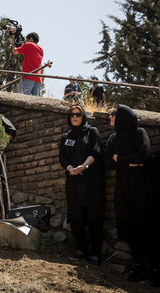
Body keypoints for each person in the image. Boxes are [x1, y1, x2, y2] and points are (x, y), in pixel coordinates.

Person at [106, 104, 160, 286]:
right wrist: (129, 162)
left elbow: (143, 155)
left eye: (113, 114)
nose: (110, 117)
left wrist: (120, 159)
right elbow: (108, 161)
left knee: (147, 227)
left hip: (142, 187)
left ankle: (154, 269)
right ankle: (140, 266)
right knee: (130, 227)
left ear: (124, 116)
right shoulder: (113, 139)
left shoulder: (139, 133)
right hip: (124, 188)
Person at [58, 105, 105, 266]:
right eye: (72, 115)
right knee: (76, 216)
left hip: (91, 180)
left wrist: (83, 166)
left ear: (83, 115)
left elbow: (96, 150)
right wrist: (70, 168)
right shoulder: (66, 136)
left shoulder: (92, 132)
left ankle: (95, 254)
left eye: (78, 114)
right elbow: (62, 157)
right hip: (73, 180)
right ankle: (81, 250)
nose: (75, 116)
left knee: (94, 218)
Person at [11, 32, 44, 96]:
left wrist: (14, 46)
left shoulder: (29, 44)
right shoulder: (41, 50)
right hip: (38, 78)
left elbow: (15, 52)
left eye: (27, 40)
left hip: (27, 76)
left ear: (31, 39)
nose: (26, 42)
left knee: (22, 98)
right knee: (37, 101)